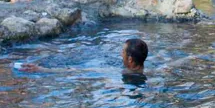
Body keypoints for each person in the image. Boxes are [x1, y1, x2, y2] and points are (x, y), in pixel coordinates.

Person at [16, 38, 149, 75]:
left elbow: (78, 71)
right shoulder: (151, 71)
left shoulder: (120, 72)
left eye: (123, 52)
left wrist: (41, 70)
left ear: (130, 59)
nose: (121, 54)